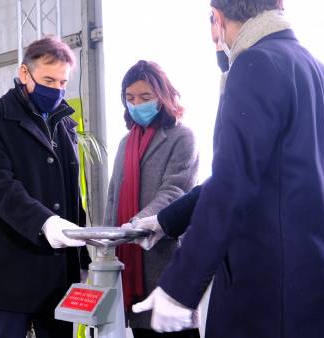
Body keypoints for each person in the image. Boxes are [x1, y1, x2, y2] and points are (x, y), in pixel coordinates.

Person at [130, 1, 324, 337]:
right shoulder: (321, 74)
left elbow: (233, 182)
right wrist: (164, 220)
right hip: (314, 280)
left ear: (217, 18)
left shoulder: (254, 64)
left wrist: (180, 286)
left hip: (264, 292)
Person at [0, 36, 89, 338]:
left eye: (62, 82)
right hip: (11, 272)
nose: (57, 90)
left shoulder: (64, 126)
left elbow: (71, 194)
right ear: (24, 74)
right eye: (48, 79)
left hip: (59, 273)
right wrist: (44, 222)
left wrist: (82, 255)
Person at [104, 60, 199, 338]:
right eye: (130, 98)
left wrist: (134, 225)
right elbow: (113, 197)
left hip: (164, 259)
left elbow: (175, 191)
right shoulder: (126, 142)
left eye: (145, 97)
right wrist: (107, 243)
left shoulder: (182, 137)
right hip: (129, 262)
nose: (137, 104)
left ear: (163, 97)